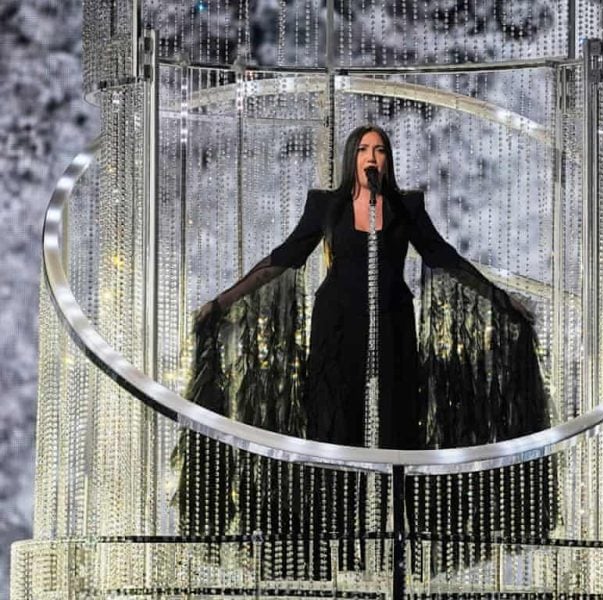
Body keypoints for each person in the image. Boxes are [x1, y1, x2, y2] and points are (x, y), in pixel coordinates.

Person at [173, 125, 555, 548]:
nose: (371, 156)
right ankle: (338, 544)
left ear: (387, 160)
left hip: (392, 327)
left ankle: (398, 545)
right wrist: (223, 301)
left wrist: (501, 299)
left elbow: (443, 256)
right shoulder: (326, 205)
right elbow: (283, 258)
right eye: (363, 149)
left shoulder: (405, 206)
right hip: (336, 329)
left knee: (398, 425)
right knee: (335, 426)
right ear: (351, 157)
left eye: (379, 150)